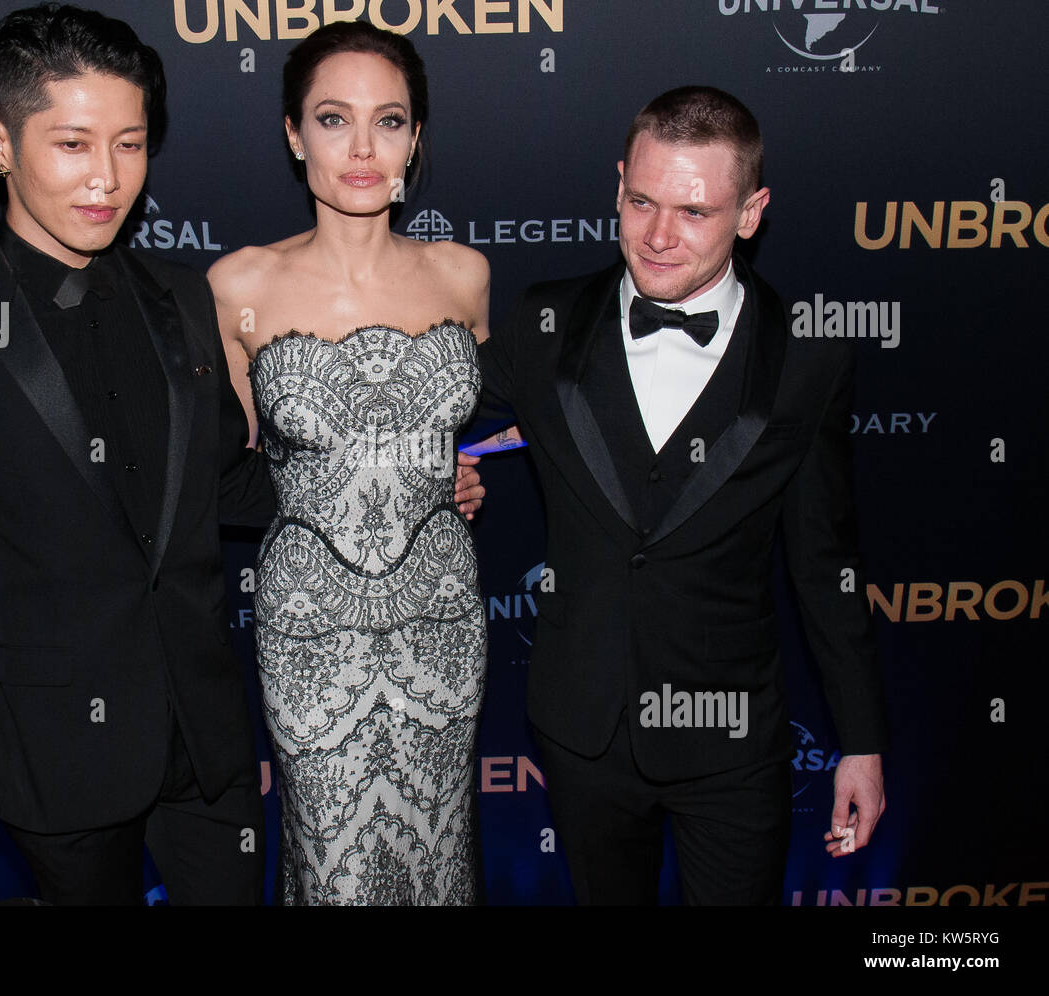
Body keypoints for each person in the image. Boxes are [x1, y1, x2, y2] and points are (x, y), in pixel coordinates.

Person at [0, 4, 282, 905]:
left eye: (129, 145)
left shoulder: (180, 296)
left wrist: (388, 487)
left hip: (205, 737)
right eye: (73, 144)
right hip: (48, 749)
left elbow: (226, 480)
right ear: (0, 143)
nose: (107, 179)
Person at [475, 86, 887, 904]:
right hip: (580, 731)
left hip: (733, 741)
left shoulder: (808, 357)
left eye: (694, 213)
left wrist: (863, 743)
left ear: (751, 212)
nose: (659, 238)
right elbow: (422, 415)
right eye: (641, 202)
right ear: (620, 182)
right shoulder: (544, 319)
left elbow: (824, 563)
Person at [208, 20, 490, 905]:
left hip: (440, 613)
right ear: (295, 135)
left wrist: (447, 472)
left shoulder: (464, 276)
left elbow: (458, 425)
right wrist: (332, 492)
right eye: (334, 119)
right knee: (328, 854)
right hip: (309, 623)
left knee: (439, 845)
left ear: (417, 137)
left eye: (391, 120)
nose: (364, 148)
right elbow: (227, 469)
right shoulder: (238, 287)